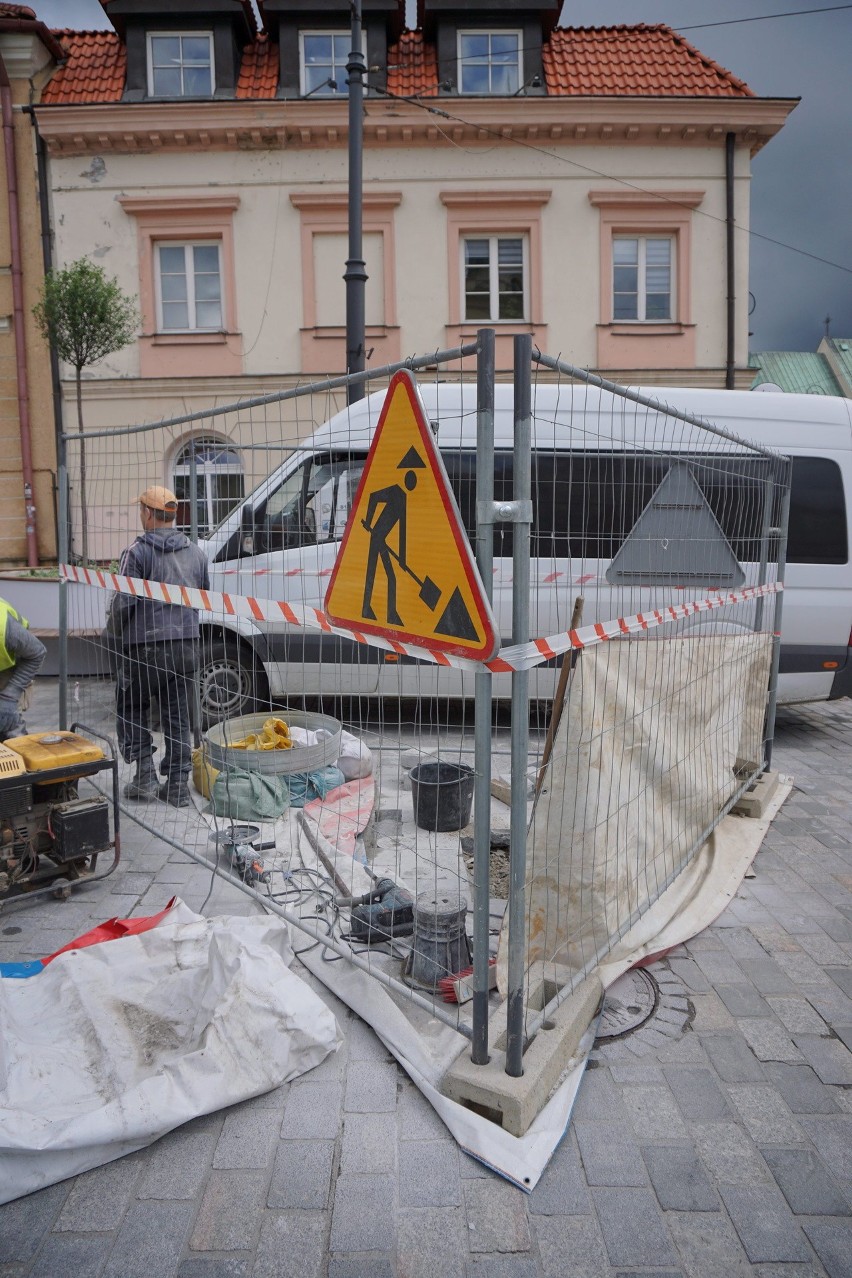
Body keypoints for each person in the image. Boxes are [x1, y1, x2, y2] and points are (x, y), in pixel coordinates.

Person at [108, 486, 210, 807]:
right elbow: (204, 596)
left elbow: (124, 604)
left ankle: (145, 777)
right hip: (187, 647)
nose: (141, 515)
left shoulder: (136, 553)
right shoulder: (196, 553)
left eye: (141, 510)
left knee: (132, 707)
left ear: (149, 514)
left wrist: (112, 638)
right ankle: (178, 785)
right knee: (178, 715)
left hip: (145, 648)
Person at [0, 597, 46, 742]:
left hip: (9, 670)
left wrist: (9, 697)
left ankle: (19, 757)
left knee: (11, 728)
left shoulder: (6, 628)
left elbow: (37, 653)